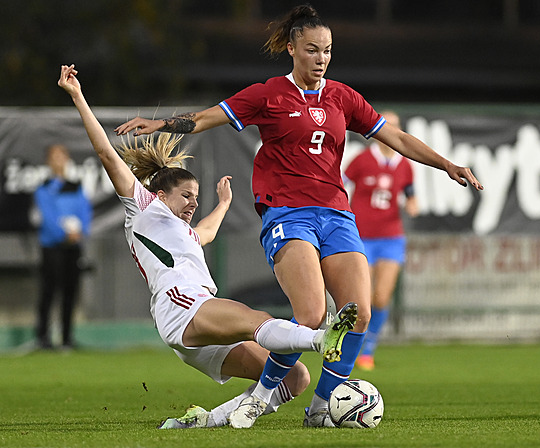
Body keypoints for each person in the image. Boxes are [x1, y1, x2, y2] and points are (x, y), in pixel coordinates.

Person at [115, 4, 483, 428]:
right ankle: (260, 398)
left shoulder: (343, 97)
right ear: (292, 49)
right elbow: (203, 118)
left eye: (327, 50)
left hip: (336, 215)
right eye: (312, 50)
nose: (321, 59)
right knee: (310, 316)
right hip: (289, 214)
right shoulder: (268, 94)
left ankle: (321, 408)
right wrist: (158, 124)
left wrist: (445, 164)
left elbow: (394, 136)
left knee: (357, 313)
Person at [57, 63, 357, 430]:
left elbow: (206, 232)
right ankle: (321, 338)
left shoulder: (183, 233)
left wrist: (224, 205)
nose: (192, 203)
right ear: (159, 194)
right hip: (183, 306)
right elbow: (106, 154)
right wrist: (78, 96)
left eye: (195, 197)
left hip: (200, 323)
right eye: (186, 195)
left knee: (295, 379)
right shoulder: (142, 208)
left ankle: (203, 421)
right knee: (258, 321)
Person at [343, 110, 419, 371]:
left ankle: (369, 350)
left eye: (396, 126)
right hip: (362, 236)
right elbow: (340, 184)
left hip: (391, 237)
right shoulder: (362, 161)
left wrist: (412, 203)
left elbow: (410, 192)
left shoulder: (405, 164)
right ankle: (349, 346)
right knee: (360, 298)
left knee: (382, 297)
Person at [34, 143, 92, 350]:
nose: (58, 160)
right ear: (48, 161)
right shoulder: (44, 188)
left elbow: (85, 211)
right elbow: (48, 217)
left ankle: (67, 338)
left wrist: (79, 233)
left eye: (61, 155)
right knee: (49, 291)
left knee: (70, 291)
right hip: (52, 246)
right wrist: (63, 234)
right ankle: (43, 338)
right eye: (54, 156)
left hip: (73, 247)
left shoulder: (76, 186)